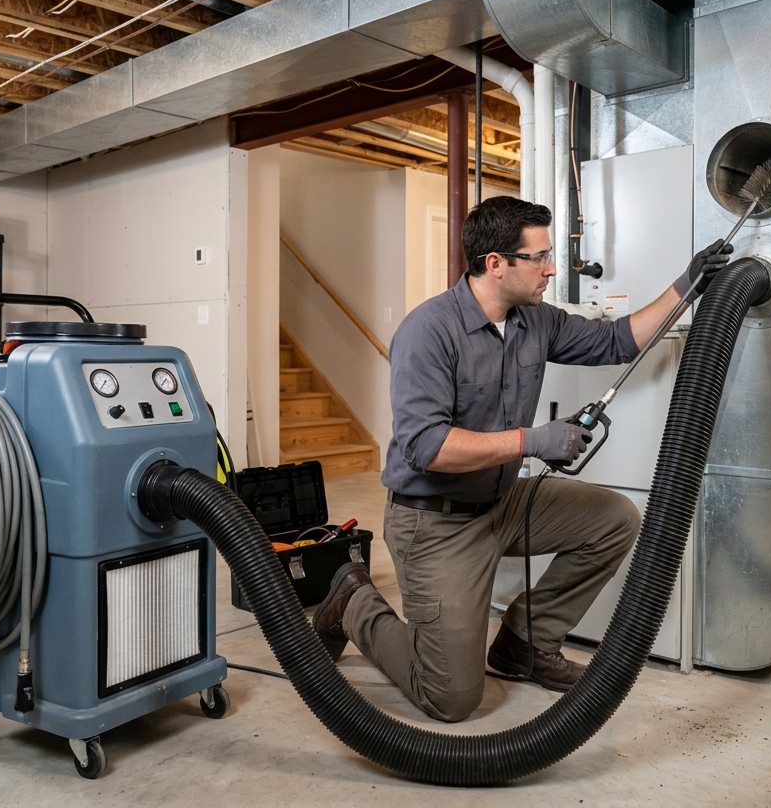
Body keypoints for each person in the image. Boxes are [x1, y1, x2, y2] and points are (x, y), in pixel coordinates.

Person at [312, 196, 732, 722]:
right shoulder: (429, 332)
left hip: (501, 501)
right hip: (434, 521)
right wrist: (532, 441)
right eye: (539, 257)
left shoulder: (534, 320)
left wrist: (686, 283)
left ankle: (523, 646)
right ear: (496, 264)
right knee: (450, 699)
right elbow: (427, 448)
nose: (551, 268)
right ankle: (353, 603)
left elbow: (616, 341)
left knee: (614, 520)